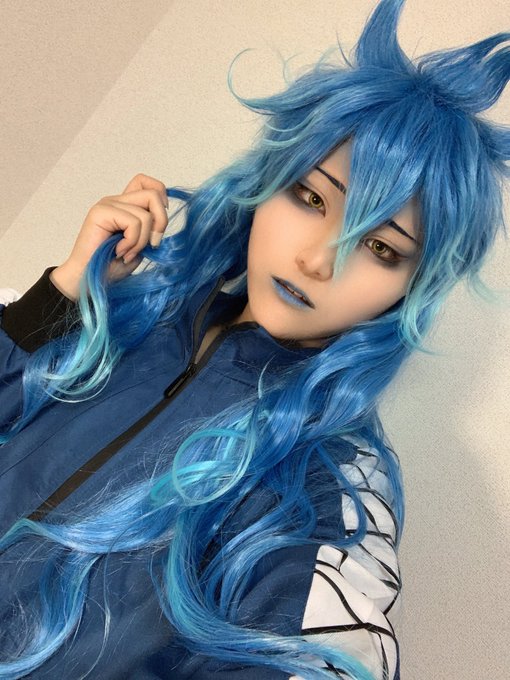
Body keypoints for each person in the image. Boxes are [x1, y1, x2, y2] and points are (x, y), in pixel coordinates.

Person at [0, 0, 508, 678]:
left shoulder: (331, 484)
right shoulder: (128, 318)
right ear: (268, 184)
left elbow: (324, 652)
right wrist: (66, 294)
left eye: (380, 247)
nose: (318, 260)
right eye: (312, 198)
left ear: (409, 291)